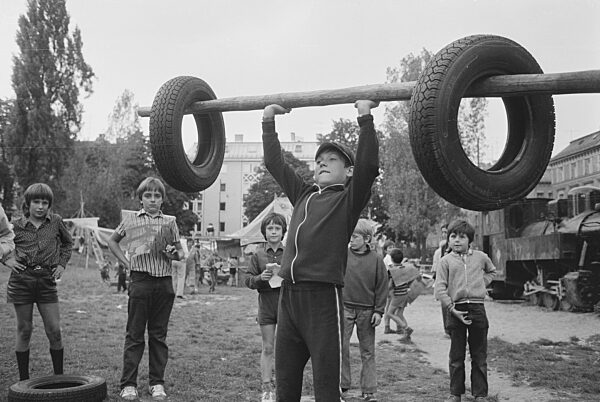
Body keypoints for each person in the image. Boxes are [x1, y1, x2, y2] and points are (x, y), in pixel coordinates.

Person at [262, 99, 379, 401]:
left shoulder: (347, 201)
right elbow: (275, 163)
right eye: (319, 160)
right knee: (285, 389)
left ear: (348, 171)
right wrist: (268, 120)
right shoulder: (303, 195)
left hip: (322, 301)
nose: (323, 162)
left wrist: (365, 117)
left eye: (332, 159)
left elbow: (368, 167)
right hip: (289, 300)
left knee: (327, 391)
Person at [107, 177, 183, 401]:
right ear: (140, 199)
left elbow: (179, 253)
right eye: (148, 196)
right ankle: (129, 384)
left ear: (162, 200)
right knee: (135, 335)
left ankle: (156, 383)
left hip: (164, 282)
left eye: (157, 196)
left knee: (158, 336)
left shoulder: (170, 222)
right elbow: (112, 241)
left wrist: (172, 253)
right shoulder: (131, 220)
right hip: (140, 281)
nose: (152, 200)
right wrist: (126, 263)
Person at [5, 183, 72, 381]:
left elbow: (68, 243)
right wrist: (6, 259)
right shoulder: (15, 225)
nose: (41, 206)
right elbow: (3, 242)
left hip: (46, 280)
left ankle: (59, 378)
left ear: (50, 205)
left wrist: (61, 264)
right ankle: (23, 382)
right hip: (21, 280)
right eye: (36, 202)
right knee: (25, 330)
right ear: (28, 203)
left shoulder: (56, 222)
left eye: (45, 202)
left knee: (54, 330)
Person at [435, 219, 497, 402]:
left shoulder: (480, 257)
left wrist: (480, 285)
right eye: (453, 236)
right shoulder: (445, 261)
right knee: (456, 356)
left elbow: (492, 272)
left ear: (470, 240)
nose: (457, 240)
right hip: (456, 311)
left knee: (479, 355)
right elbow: (439, 288)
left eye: (462, 237)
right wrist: (452, 309)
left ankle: (480, 394)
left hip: (477, 309)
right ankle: (455, 394)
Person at [340, 219, 388, 402]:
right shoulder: (342, 254)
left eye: (355, 236)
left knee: (367, 350)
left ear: (367, 238)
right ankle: (342, 386)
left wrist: (379, 311)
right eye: (350, 235)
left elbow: (382, 286)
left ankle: (368, 389)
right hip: (345, 307)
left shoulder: (376, 259)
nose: (351, 239)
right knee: (341, 347)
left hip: (367, 311)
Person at [245, 212, 287, 402]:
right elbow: (248, 280)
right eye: (270, 228)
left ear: (283, 231)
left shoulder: (290, 253)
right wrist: (260, 279)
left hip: (287, 306)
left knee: (287, 348)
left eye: (277, 228)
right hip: (267, 306)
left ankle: (285, 386)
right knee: (268, 347)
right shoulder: (258, 254)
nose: (274, 231)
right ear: (264, 231)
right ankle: (267, 387)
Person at [385, 248, 421, 341]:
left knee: (389, 313)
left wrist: (386, 290)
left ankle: (406, 328)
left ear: (391, 259)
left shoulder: (392, 271)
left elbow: (389, 285)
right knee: (399, 314)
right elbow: (413, 278)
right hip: (405, 293)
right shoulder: (406, 268)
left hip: (397, 295)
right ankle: (406, 334)